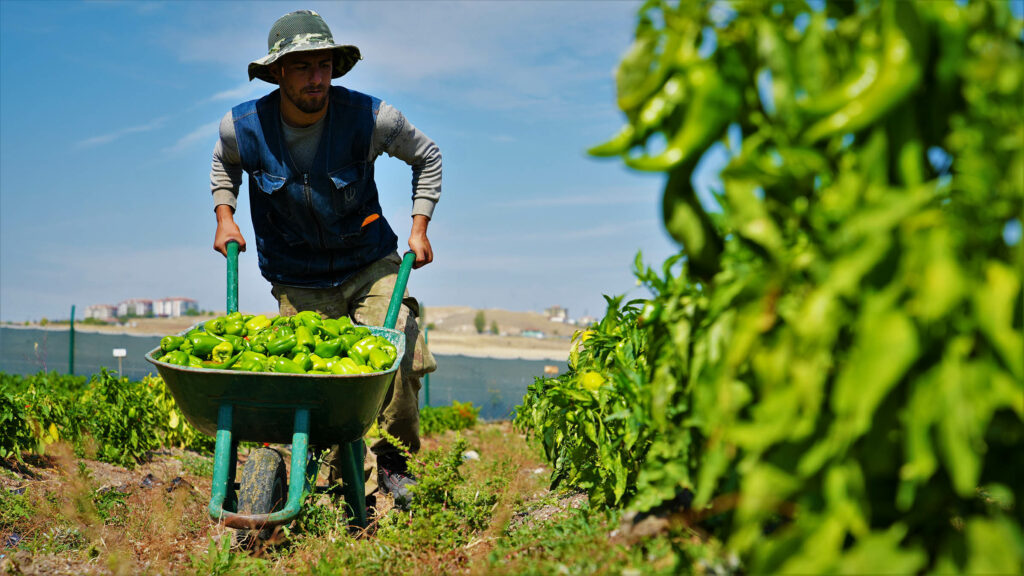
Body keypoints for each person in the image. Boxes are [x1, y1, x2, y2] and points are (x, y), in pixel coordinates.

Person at [209, 9, 439, 509]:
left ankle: (396, 466)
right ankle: (335, 472)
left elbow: (428, 156)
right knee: (314, 383)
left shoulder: (370, 118)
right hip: (297, 279)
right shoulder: (243, 128)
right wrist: (224, 217)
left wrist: (419, 228)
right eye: (303, 67)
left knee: (394, 341)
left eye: (325, 65)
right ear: (277, 73)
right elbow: (224, 166)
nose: (317, 78)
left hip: (368, 263)